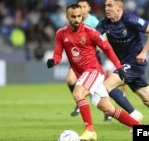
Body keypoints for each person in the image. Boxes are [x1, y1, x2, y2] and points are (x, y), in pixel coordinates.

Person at [47, 4, 142, 140]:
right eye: (73, 17)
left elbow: (107, 49)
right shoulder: (61, 33)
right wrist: (54, 61)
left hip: (93, 71)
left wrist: (119, 67)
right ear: (67, 17)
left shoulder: (90, 32)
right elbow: (57, 53)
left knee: (78, 93)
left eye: (79, 16)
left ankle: (90, 130)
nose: (77, 19)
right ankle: (138, 126)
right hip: (83, 74)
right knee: (108, 109)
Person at [96, 0, 149, 125]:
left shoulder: (130, 19)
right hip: (123, 64)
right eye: (105, 6)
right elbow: (93, 37)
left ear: (119, 8)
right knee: (148, 100)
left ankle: (133, 114)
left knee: (105, 87)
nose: (106, 8)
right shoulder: (104, 23)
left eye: (110, 6)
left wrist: (144, 52)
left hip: (135, 63)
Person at [67, 0, 143, 123]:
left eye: (83, 6)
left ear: (88, 8)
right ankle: (84, 103)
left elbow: (102, 39)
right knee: (74, 81)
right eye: (79, 7)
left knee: (105, 84)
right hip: (79, 59)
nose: (81, 9)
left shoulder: (94, 22)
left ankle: (130, 112)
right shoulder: (73, 23)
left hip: (93, 59)